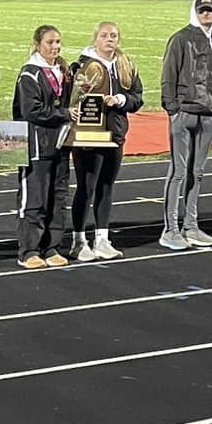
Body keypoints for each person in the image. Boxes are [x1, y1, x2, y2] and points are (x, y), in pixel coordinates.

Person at [159, 0, 212, 250]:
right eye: (202, 10)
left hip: (210, 116)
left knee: (197, 173)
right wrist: (173, 110)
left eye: (209, 10)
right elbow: (168, 75)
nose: (206, 14)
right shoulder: (180, 39)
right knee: (178, 172)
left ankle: (191, 226)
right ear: (195, 11)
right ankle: (170, 229)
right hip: (185, 115)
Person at [70, 25, 140, 260]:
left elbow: (137, 97)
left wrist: (121, 99)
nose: (109, 39)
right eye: (104, 35)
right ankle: (78, 240)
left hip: (115, 134)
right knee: (86, 188)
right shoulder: (85, 65)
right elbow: (74, 98)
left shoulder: (125, 64)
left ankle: (102, 239)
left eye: (114, 36)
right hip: (89, 137)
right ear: (95, 39)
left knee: (106, 187)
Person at [13, 26, 72, 268]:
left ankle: (51, 247)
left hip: (61, 144)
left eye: (58, 41)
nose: (55, 46)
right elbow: (31, 111)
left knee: (57, 198)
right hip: (35, 145)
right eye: (50, 42)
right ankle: (28, 251)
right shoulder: (30, 74)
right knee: (34, 199)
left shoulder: (62, 71)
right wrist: (65, 113)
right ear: (38, 44)